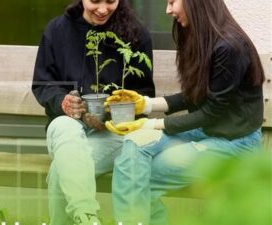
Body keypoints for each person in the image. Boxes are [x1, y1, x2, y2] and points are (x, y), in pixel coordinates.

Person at [105, 0, 265, 224]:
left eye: (172, 2)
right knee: (134, 143)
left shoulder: (230, 47)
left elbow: (211, 112)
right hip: (208, 132)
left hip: (235, 144)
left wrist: (149, 123)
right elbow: (196, 96)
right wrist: (147, 105)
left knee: (138, 177)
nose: (168, 10)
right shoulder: (204, 39)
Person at [31, 0, 155, 225]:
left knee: (62, 169)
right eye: (95, 1)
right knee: (63, 125)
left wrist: (111, 111)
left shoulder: (136, 35)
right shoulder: (57, 31)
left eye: (111, 1)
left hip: (113, 134)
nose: (102, 9)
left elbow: (143, 94)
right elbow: (43, 84)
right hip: (66, 131)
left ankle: (86, 218)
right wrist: (64, 102)